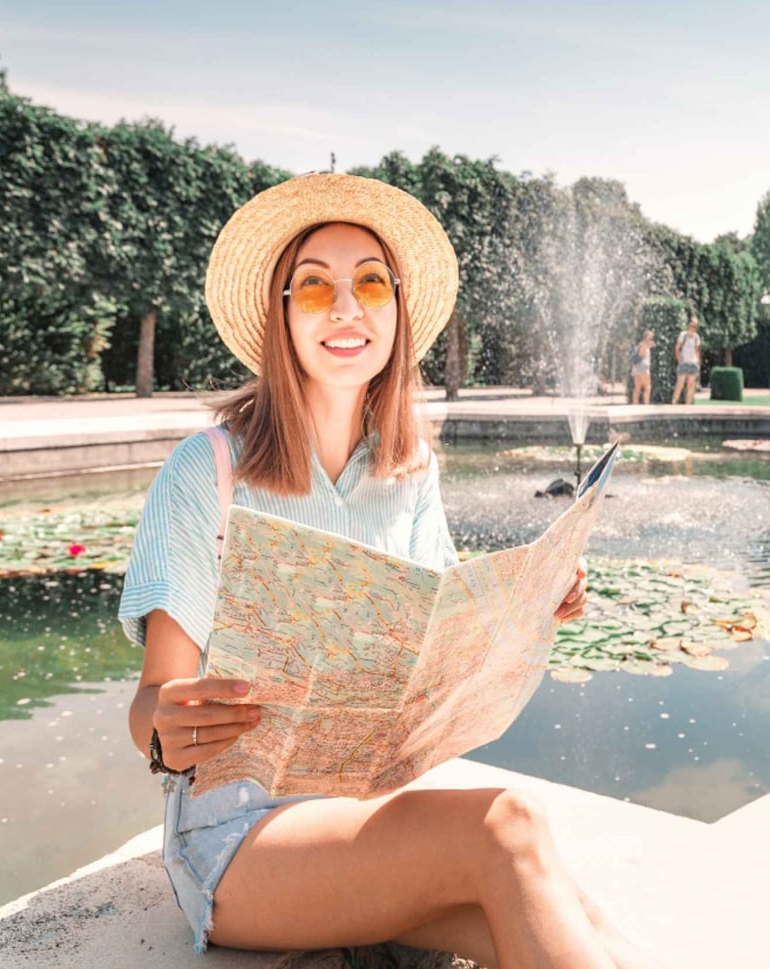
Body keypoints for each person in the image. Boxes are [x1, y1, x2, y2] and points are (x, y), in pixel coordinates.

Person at [122, 173, 651, 969]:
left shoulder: (410, 471)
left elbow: (442, 626)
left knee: (580, 920)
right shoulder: (210, 472)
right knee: (506, 825)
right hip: (239, 835)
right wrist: (166, 728)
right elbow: (151, 706)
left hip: (365, 810)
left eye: (371, 282)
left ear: (398, 311)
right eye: (314, 288)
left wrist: (530, 600)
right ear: (280, 313)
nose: (346, 307)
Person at [671, 317, 701, 404]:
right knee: (680, 384)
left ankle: (688, 405)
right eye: (692, 325)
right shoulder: (683, 335)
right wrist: (679, 360)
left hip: (693, 363)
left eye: (695, 326)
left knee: (691, 386)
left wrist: (698, 362)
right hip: (684, 362)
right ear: (689, 325)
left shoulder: (696, 337)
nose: (693, 328)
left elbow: (697, 350)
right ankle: (674, 403)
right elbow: (677, 348)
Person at [630, 329, 654, 404]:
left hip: (636, 368)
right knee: (647, 387)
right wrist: (647, 347)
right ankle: (646, 404)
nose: (651, 340)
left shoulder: (640, 344)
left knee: (637, 387)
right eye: (650, 338)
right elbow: (641, 354)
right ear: (646, 337)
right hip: (643, 368)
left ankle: (635, 404)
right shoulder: (643, 345)